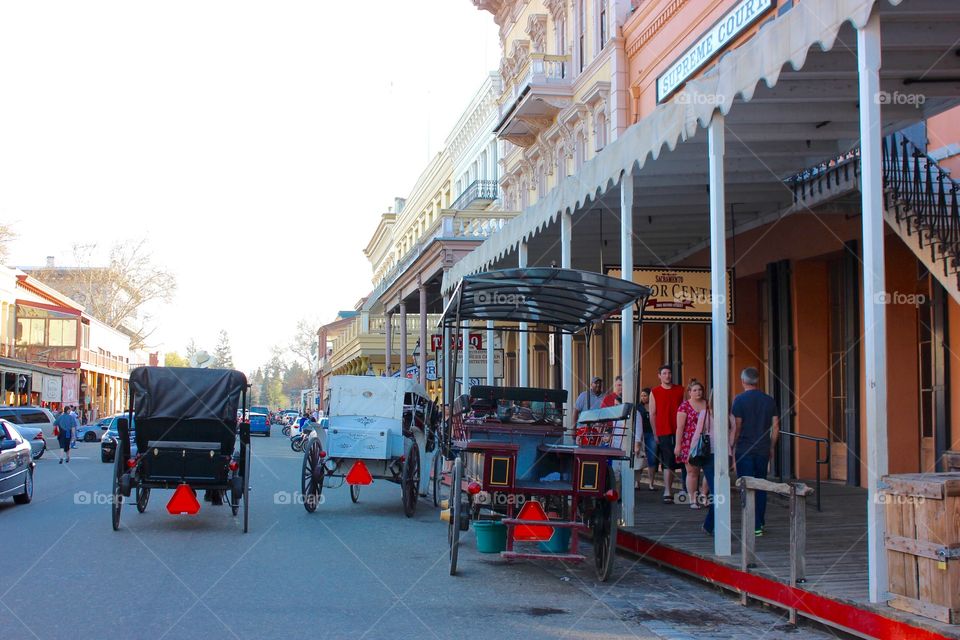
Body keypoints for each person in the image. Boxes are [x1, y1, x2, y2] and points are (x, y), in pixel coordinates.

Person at [731, 367, 779, 536]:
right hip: (763, 449)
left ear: (743, 381)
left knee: (747, 487)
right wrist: (771, 447)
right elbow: (775, 427)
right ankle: (759, 523)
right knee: (761, 485)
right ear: (757, 381)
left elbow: (737, 427)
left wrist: (732, 446)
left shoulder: (739, 400)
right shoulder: (769, 400)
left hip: (744, 448)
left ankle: (753, 524)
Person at [649, 365, 685, 504]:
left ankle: (685, 489)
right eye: (664, 373)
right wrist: (655, 432)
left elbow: (685, 408)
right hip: (663, 429)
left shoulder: (680, 390)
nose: (667, 376)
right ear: (659, 376)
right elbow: (652, 413)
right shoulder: (655, 392)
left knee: (683, 458)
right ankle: (668, 490)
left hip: (679, 429)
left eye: (669, 373)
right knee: (667, 460)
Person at [675, 380, 708, 509]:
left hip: (707, 441)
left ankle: (705, 496)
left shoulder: (708, 404)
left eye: (700, 390)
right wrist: (678, 445)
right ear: (689, 392)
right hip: (689, 441)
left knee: (708, 471)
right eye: (694, 390)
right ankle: (693, 500)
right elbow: (680, 427)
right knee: (692, 472)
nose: (698, 392)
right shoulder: (684, 406)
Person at [633, 388, 657, 491]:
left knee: (652, 458)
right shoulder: (638, 408)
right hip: (641, 434)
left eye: (645, 395)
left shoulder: (654, 406)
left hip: (651, 434)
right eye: (642, 395)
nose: (643, 397)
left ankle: (651, 483)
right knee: (639, 457)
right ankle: (637, 482)